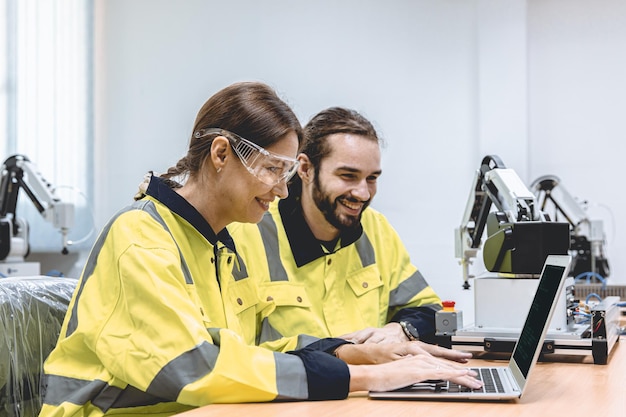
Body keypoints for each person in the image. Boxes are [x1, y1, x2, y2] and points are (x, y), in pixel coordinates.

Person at [39, 83, 481, 417]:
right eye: (273, 169)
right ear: (220, 154)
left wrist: (354, 349)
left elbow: (249, 351)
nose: (283, 190)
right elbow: (193, 369)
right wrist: (367, 377)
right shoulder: (140, 238)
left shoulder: (219, 245)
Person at [229, 106, 443, 345]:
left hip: (379, 382)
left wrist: (402, 330)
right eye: (348, 176)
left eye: (371, 178)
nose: (363, 193)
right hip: (295, 383)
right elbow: (236, 355)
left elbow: (429, 310)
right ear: (305, 169)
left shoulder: (376, 229)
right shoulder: (246, 235)